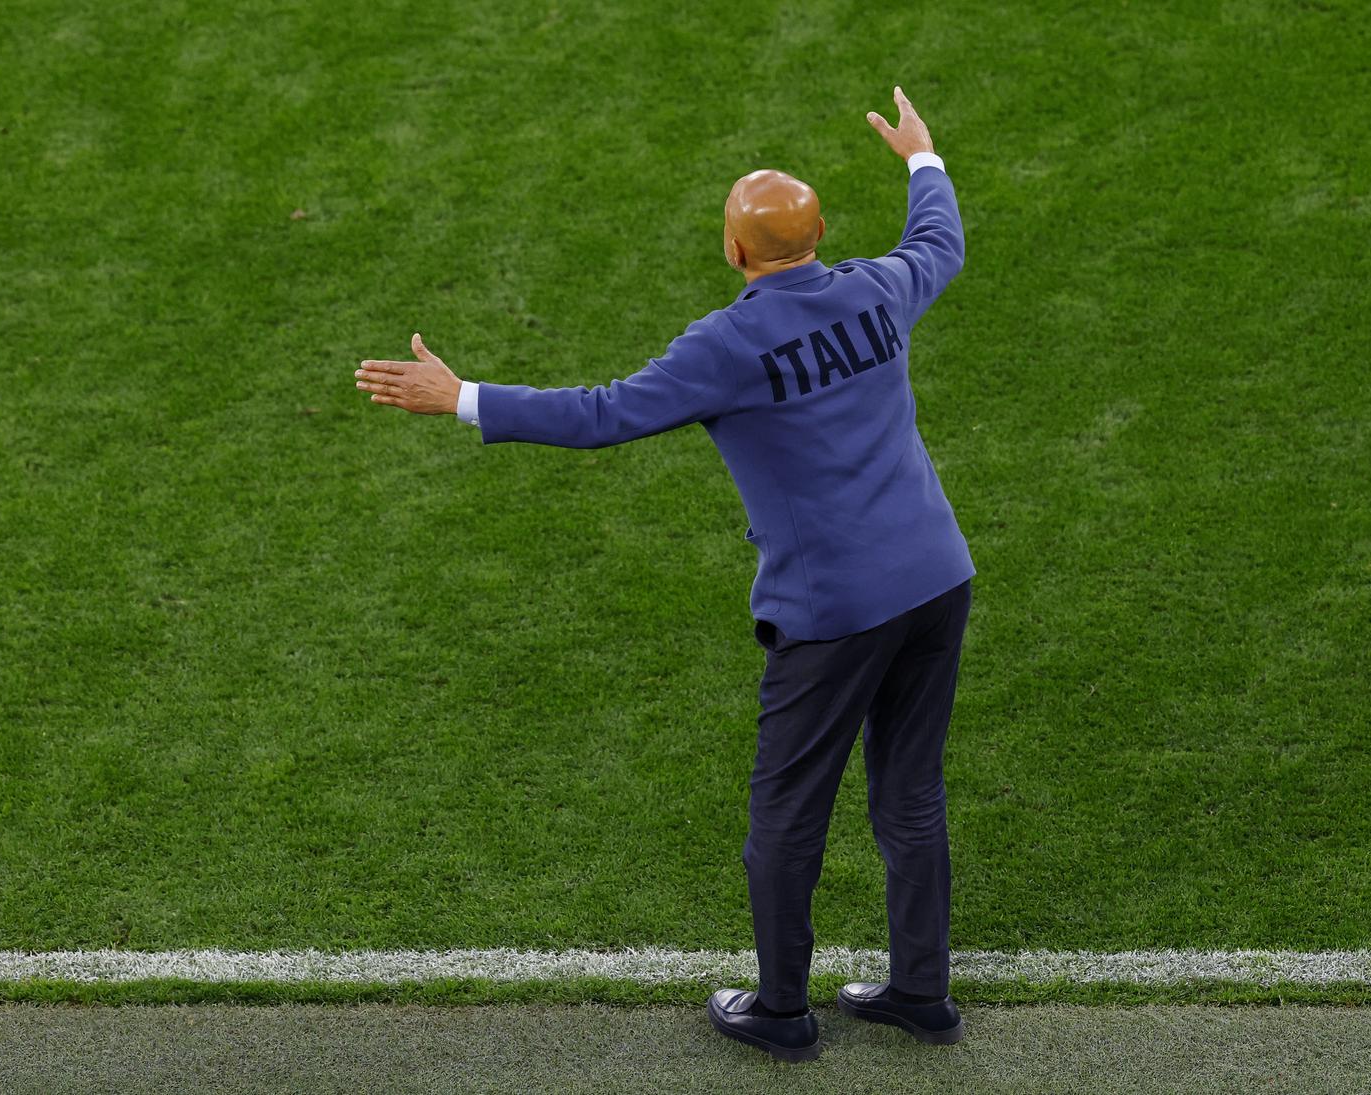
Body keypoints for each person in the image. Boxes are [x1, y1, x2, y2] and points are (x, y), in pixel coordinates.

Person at [353, 86, 972, 1064]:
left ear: (735, 253)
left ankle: (780, 1009)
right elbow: (939, 245)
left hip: (835, 610)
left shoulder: (728, 344)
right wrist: (921, 160)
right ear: (819, 235)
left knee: (786, 816)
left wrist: (460, 396)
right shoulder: (878, 289)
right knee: (908, 794)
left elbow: (602, 414)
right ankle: (922, 992)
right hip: (937, 578)